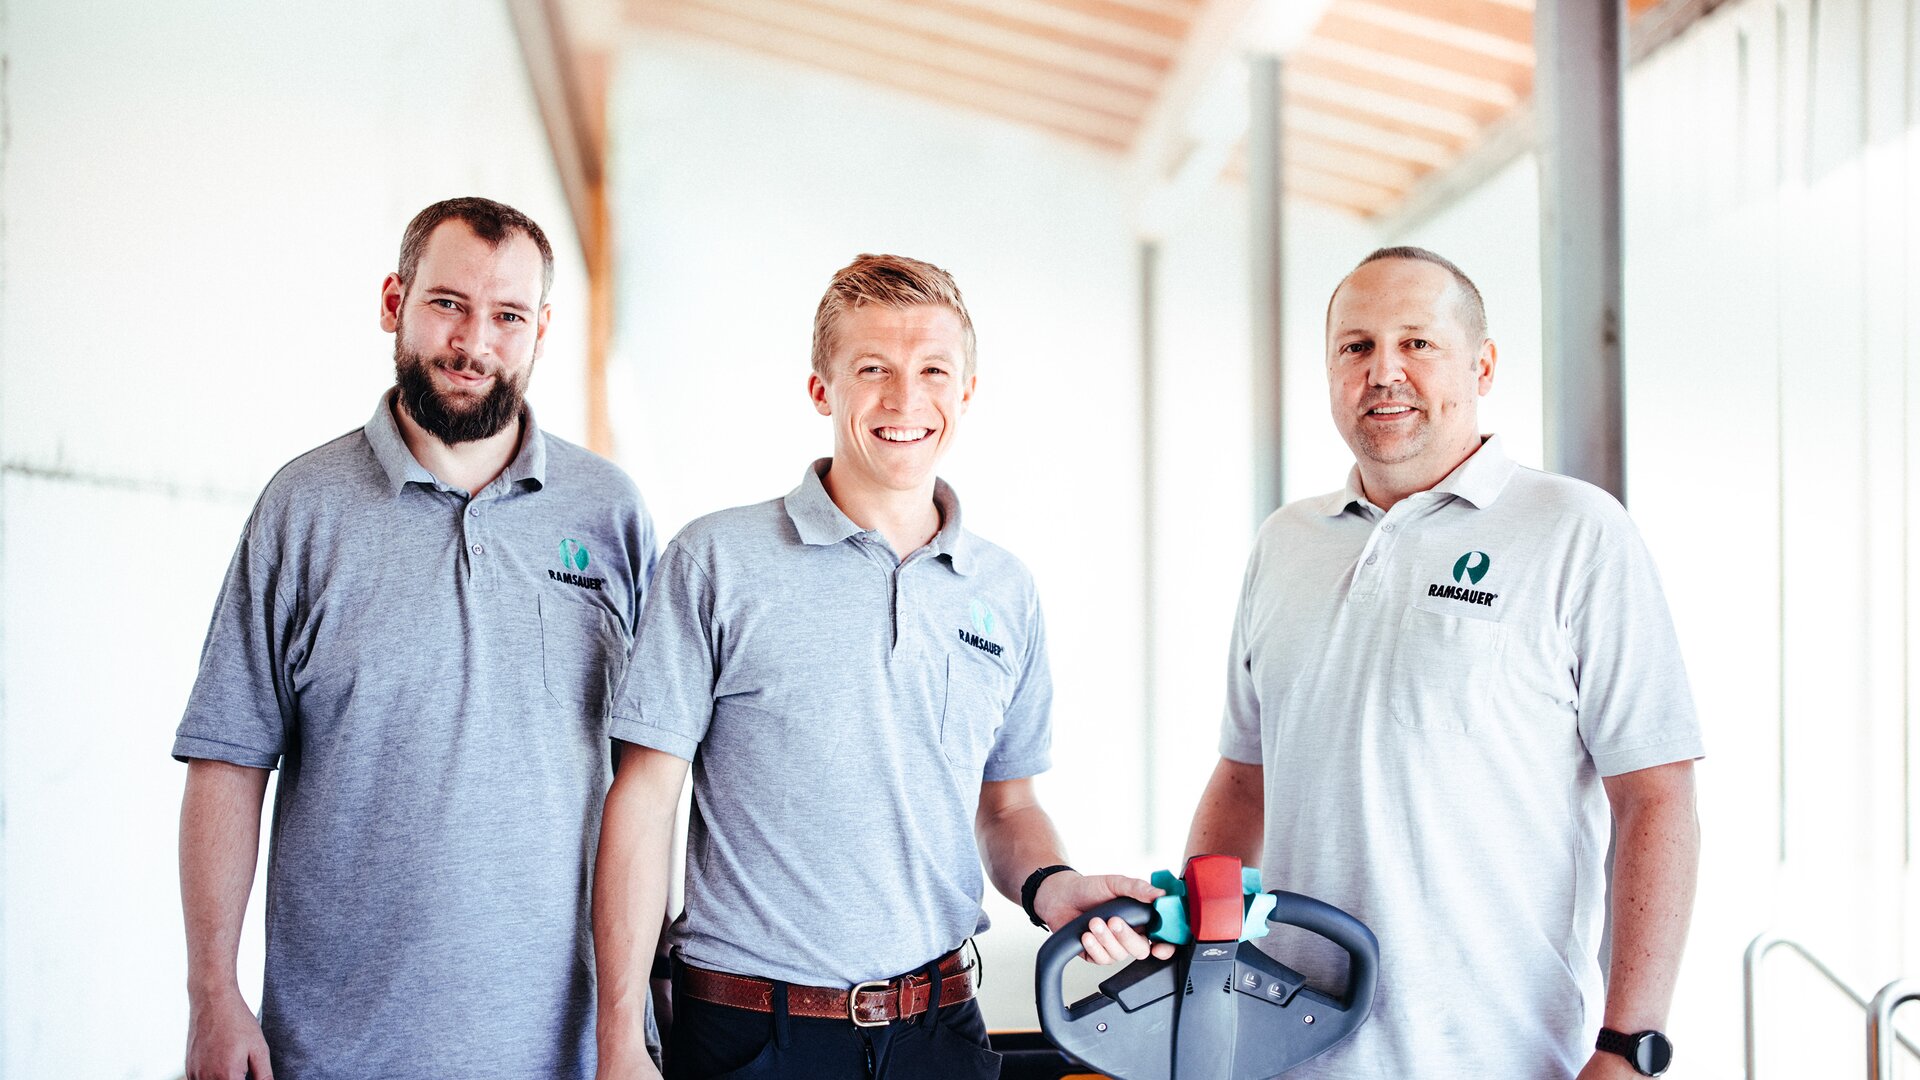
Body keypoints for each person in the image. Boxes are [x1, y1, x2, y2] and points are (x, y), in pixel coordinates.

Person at [592, 254, 1167, 1080]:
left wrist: (1052, 884)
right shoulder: (716, 560)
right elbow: (644, 798)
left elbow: (1005, 805)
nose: (905, 400)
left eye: (933, 369)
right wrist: (621, 1040)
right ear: (822, 389)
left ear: (966, 391)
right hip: (751, 1036)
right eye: (873, 370)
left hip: (940, 1034)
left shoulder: (1004, 590)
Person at [1187, 247, 1703, 1079]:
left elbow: (1656, 795)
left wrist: (1629, 1046)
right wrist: (1198, 968)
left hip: (1500, 1054)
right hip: (1287, 1049)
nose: (1383, 371)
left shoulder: (1574, 530)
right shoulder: (1285, 543)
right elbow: (1243, 778)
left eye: (1417, 344)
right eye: (1356, 347)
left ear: (1483, 366)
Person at [174, 197, 657, 1080]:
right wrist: (214, 992)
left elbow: (652, 784)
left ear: (541, 330)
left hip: (564, 1052)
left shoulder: (612, 515)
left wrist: (637, 1023)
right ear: (394, 301)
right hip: (335, 1051)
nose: (475, 341)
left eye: (508, 316)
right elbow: (227, 761)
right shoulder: (303, 510)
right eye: (448, 304)